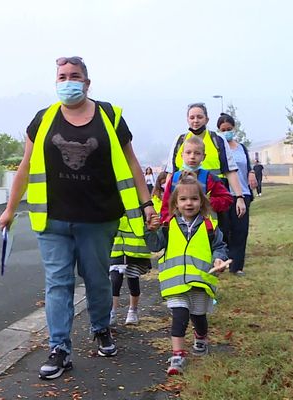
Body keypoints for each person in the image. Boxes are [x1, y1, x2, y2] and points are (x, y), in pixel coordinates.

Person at [0, 56, 156, 380]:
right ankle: (60, 349)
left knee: (97, 280)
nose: (68, 81)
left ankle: (101, 328)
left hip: (99, 220)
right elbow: (25, 167)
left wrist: (147, 203)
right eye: (62, 76)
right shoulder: (43, 120)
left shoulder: (110, 117)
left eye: (75, 76)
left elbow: (133, 164)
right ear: (56, 81)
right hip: (52, 220)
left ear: (87, 82)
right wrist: (10, 209)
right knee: (58, 283)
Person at [145, 174, 229, 375]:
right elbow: (155, 246)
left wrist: (219, 259)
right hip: (175, 284)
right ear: (175, 203)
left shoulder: (210, 226)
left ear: (202, 202)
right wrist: (149, 230)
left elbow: (220, 247)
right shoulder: (167, 226)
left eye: (194, 199)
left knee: (198, 316)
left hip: (199, 281)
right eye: (183, 199)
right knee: (180, 316)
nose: (189, 203)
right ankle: (178, 356)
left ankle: (200, 336)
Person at [164, 103, 247, 221]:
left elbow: (230, 171)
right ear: (187, 119)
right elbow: (170, 173)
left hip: (213, 203)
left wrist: (239, 197)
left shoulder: (218, 140)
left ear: (207, 119)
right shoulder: (179, 141)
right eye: (192, 117)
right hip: (184, 203)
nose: (196, 121)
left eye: (199, 117)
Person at [217, 113, 257, 276]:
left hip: (242, 193)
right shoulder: (217, 148)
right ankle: (222, 262)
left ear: (234, 129)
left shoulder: (241, 148)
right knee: (224, 230)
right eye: (223, 129)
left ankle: (237, 266)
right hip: (224, 194)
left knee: (241, 230)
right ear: (219, 130)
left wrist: (252, 172)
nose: (227, 132)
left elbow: (247, 166)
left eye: (229, 129)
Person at [160, 136, 233, 224]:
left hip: (206, 230)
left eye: (197, 153)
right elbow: (166, 205)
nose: (192, 156)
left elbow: (227, 199)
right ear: (182, 155)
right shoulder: (174, 179)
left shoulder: (211, 179)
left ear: (203, 156)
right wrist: (166, 224)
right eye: (188, 152)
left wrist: (207, 202)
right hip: (178, 229)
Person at [109, 215, 152, 326]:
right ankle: (111, 313)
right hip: (116, 248)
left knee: (133, 279)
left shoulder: (136, 201)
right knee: (115, 280)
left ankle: (133, 311)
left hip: (134, 249)